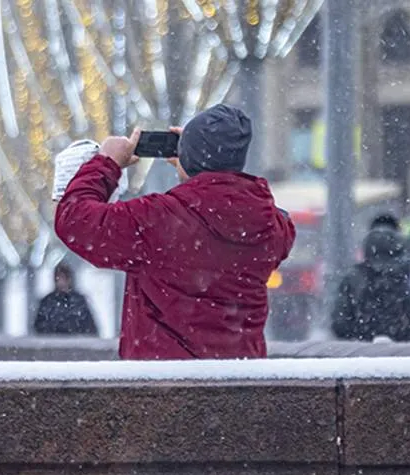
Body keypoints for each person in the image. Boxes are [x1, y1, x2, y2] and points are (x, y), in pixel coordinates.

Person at [55, 104, 295, 360]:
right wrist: (200, 161)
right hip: (241, 385)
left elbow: (74, 220)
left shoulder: (159, 219)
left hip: (164, 386)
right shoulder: (269, 227)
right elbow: (256, 212)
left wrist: (107, 163)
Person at [332, 214, 410, 344]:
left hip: (363, 355)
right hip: (406, 355)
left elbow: (339, 324)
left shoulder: (353, 276)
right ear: (399, 242)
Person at [33, 263, 99, 336]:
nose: (61, 282)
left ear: (69, 279)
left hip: (75, 344)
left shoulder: (79, 301)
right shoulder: (47, 301)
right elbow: (40, 326)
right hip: (53, 344)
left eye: (63, 278)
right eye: (59, 278)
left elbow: (89, 327)